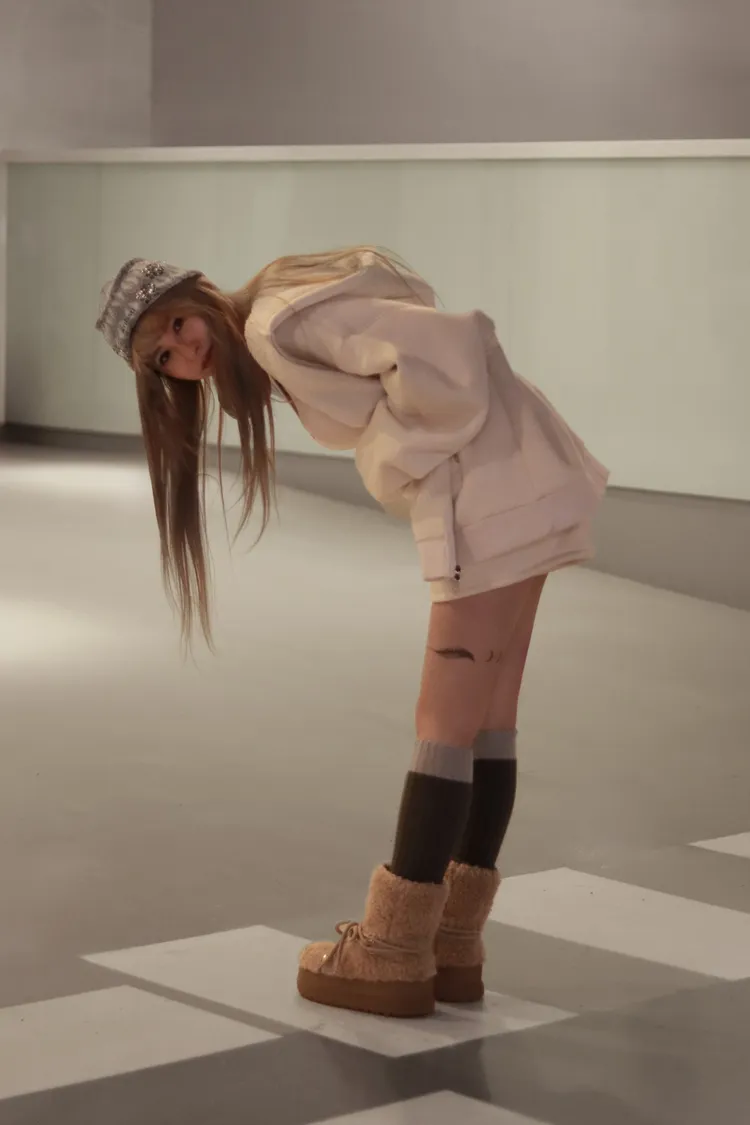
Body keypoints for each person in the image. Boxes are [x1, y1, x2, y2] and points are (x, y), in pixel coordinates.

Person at [96, 247, 609, 1020]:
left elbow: (453, 345)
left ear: (198, 293)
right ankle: (451, 940)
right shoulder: (278, 321)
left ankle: (394, 948)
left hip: (490, 491)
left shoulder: (273, 323)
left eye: (176, 324)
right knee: (487, 716)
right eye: (163, 357)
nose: (185, 351)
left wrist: (390, 457)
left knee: (444, 720)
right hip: (518, 476)